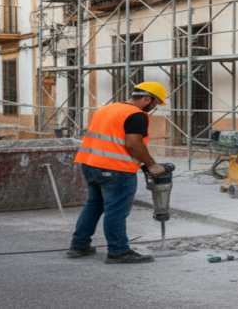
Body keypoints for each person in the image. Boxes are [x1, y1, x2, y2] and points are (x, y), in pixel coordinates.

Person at [66, 82, 168, 264]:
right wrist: (151, 164)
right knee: (116, 210)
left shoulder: (107, 109)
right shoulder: (138, 115)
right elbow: (133, 144)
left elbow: (112, 140)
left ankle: (79, 246)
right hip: (115, 170)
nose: (154, 108)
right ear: (147, 98)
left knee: (93, 206)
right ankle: (118, 251)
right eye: (155, 103)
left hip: (90, 164)